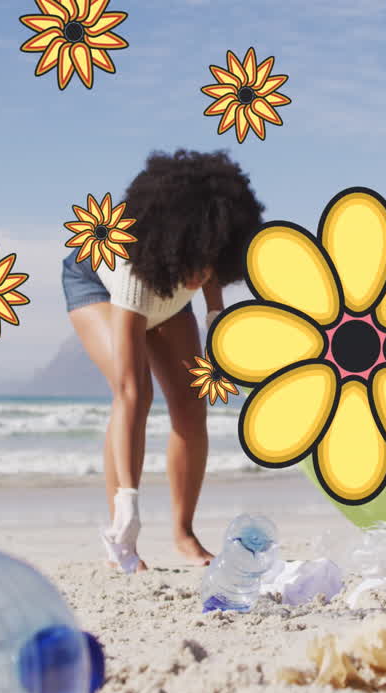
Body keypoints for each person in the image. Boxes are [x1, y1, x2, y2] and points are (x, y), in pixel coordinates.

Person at [61, 149, 264, 569]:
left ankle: (184, 534)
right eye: (195, 265)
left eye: (210, 266)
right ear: (174, 247)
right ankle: (123, 536)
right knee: (134, 393)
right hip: (99, 283)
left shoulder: (207, 256)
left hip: (166, 299)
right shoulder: (133, 271)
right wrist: (129, 502)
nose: (201, 276)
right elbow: (132, 391)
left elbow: (210, 281)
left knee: (192, 407)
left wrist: (214, 317)